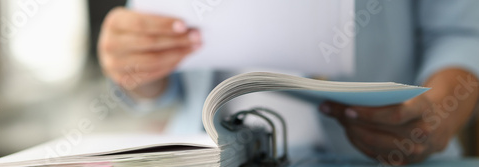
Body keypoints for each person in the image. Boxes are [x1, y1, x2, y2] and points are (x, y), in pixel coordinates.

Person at [97, 0, 479, 165]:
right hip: (209, 152)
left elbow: (462, 32)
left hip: (379, 151)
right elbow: (160, 85)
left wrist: (439, 110)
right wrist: (136, 68)